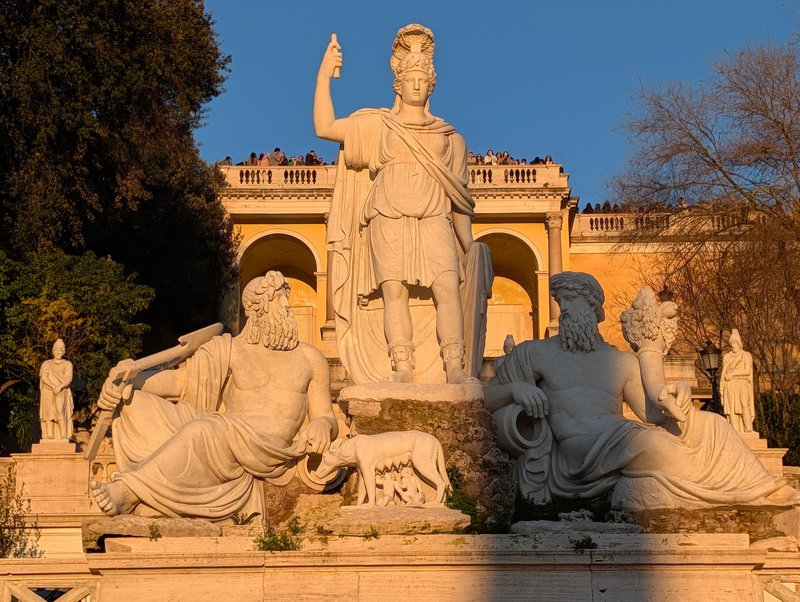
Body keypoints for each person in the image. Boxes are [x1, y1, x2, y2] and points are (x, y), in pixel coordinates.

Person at [485, 272, 798, 509]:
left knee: (712, 424)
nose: (563, 307)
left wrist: (672, 394)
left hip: (623, 437)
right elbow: (484, 398)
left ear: (593, 307)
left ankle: (761, 489)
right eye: (559, 300)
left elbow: (651, 412)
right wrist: (515, 389)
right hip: (580, 453)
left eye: (570, 299)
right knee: (647, 441)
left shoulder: (620, 360)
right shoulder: (535, 353)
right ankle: (745, 493)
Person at [314, 24, 490, 384]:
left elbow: (458, 202)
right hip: (386, 212)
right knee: (394, 290)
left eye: (422, 80)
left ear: (431, 85)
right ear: (398, 83)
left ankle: (454, 366)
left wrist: (469, 244)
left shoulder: (451, 138)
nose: (416, 85)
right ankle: (402, 366)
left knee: (446, 286)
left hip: (433, 214)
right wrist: (324, 73)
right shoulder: (378, 126)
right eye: (410, 79)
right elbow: (325, 127)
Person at [90, 271, 338, 521]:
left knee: (205, 430)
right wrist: (129, 383)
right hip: (227, 434)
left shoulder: (310, 357)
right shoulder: (230, 350)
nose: (286, 306)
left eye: (286, 298)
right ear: (254, 310)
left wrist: (322, 425)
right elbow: (179, 381)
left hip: (268, 449)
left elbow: (326, 416)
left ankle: (130, 490)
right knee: (135, 402)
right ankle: (153, 491)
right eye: (276, 300)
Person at [720, 329, 755, 433]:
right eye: (731, 343)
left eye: (735, 343)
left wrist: (733, 374)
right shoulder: (727, 357)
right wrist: (736, 361)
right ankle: (735, 431)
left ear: (739, 343)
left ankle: (748, 428)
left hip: (742, 382)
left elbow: (747, 371)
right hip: (730, 384)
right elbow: (726, 372)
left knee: (745, 404)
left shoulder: (747, 355)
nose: (733, 345)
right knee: (731, 408)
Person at [39, 338, 74, 441]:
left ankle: (63, 434)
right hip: (48, 390)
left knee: (60, 411)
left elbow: (69, 378)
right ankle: (49, 435)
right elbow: (44, 377)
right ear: (53, 351)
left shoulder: (67, 364)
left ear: (63, 351)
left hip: (61, 390)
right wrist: (53, 386)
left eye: (61, 350)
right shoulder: (46, 364)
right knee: (48, 413)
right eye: (56, 349)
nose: (58, 352)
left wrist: (59, 386)